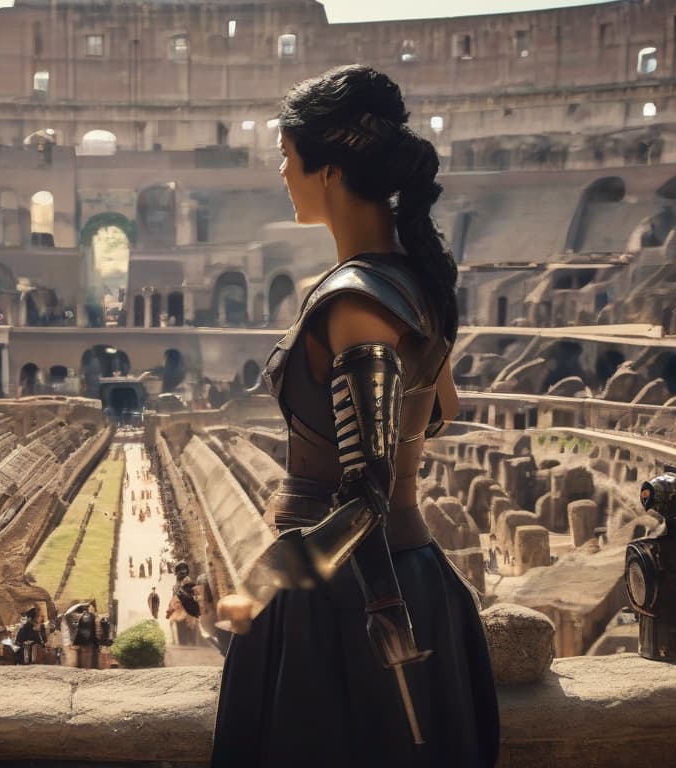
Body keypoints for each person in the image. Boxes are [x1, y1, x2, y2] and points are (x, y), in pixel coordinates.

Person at [211, 65, 498, 767]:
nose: (282, 171)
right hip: (413, 576)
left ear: (329, 169)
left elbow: (364, 497)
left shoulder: (355, 304)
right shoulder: (416, 280)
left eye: (287, 154)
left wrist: (257, 585)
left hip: (341, 604)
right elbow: (440, 414)